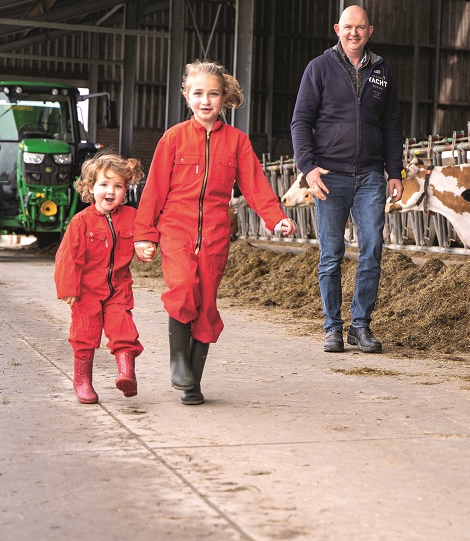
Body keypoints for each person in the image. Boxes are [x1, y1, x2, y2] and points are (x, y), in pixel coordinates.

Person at [134, 60, 296, 405]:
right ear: (187, 96)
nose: (205, 100)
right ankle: (178, 362)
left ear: (223, 98)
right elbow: (154, 190)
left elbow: (255, 185)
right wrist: (144, 234)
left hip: (215, 234)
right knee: (183, 289)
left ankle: (192, 382)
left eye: (212, 94)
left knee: (206, 305)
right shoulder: (173, 138)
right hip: (176, 228)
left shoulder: (237, 142)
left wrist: (275, 218)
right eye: (197, 94)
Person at [290, 4, 404, 354]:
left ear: (370, 31)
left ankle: (361, 326)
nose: (354, 33)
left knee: (372, 249)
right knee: (332, 253)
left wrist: (395, 171)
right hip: (329, 176)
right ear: (337, 29)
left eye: (361, 27)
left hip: (370, 176)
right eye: (348, 27)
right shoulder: (319, 68)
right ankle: (332, 328)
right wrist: (308, 168)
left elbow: (391, 126)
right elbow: (300, 122)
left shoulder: (382, 71)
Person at [54, 151, 146, 404]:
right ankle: (82, 381)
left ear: (126, 190)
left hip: (118, 287)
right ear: (90, 187)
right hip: (86, 291)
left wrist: (148, 245)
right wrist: (68, 289)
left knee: (123, 330)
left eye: (118, 186)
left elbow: (147, 234)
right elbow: (68, 257)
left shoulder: (132, 217)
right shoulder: (81, 222)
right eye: (104, 184)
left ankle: (127, 374)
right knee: (84, 334)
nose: (111, 191)